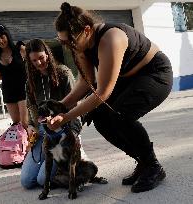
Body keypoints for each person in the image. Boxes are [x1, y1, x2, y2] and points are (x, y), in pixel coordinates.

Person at [47, 2, 173, 193]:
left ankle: (153, 166)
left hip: (155, 73)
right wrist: (61, 105)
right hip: (129, 78)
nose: (67, 46)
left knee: (121, 114)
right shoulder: (80, 46)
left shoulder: (110, 39)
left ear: (87, 30)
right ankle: (143, 161)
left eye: (70, 41)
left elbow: (102, 93)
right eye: (63, 42)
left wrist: (67, 117)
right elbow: (86, 83)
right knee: (100, 117)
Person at [20, 39, 88, 189]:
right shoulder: (30, 82)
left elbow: (75, 106)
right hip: (43, 134)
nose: (38, 63)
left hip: (63, 130)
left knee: (41, 180)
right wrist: (31, 126)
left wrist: (73, 134)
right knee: (27, 181)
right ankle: (59, 167)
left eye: (41, 57)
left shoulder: (63, 73)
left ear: (48, 54)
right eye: (34, 60)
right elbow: (32, 110)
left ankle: (78, 159)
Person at [0, 24, 28, 128]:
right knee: (17, 125)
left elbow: (32, 66)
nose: (1, 41)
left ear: (7, 35)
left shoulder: (20, 48)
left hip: (24, 89)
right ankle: (22, 144)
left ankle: (32, 143)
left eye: (2, 37)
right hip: (9, 92)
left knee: (25, 123)